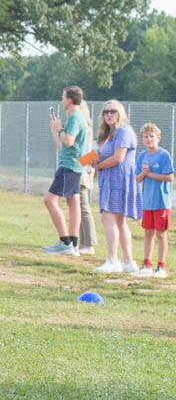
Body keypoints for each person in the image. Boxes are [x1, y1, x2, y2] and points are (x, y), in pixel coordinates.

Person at [91, 100, 142, 273]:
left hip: (119, 179)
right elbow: (104, 157)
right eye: (106, 112)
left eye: (113, 111)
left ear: (120, 113)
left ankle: (113, 261)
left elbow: (118, 158)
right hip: (109, 179)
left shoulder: (124, 131)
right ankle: (128, 262)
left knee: (109, 218)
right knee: (119, 221)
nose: (109, 114)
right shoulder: (109, 133)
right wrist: (94, 162)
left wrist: (99, 165)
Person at [42, 86, 90, 256]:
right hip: (73, 165)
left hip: (69, 167)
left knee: (49, 200)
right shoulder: (77, 117)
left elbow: (69, 141)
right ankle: (74, 243)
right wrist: (55, 129)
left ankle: (65, 242)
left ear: (69, 100)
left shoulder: (75, 118)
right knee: (73, 202)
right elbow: (64, 147)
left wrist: (60, 128)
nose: (62, 101)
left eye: (63, 97)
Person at [133, 122, 172, 277]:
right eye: (146, 137)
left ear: (158, 138)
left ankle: (160, 267)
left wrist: (151, 174)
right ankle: (146, 265)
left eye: (151, 136)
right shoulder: (142, 156)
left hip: (161, 201)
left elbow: (169, 177)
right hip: (147, 202)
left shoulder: (163, 155)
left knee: (161, 234)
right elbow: (137, 179)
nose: (149, 139)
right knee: (148, 232)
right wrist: (144, 173)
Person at [76, 101, 98, 256]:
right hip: (83, 169)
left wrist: (78, 163)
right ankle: (82, 241)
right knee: (78, 206)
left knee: (83, 207)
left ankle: (89, 243)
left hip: (82, 171)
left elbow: (88, 154)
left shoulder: (85, 129)